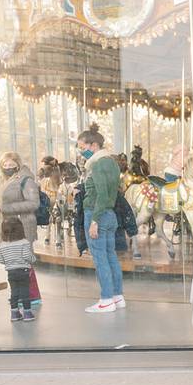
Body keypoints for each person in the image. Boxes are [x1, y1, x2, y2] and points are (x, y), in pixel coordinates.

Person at [77, 123, 125, 314]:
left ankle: (106, 299)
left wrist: (95, 220)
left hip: (97, 213)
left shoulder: (97, 164)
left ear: (93, 145)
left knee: (100, 259)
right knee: (111, 256)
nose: (81, 151)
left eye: (82, 147)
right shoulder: (111, 162)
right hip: (110, 214)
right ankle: (117, 296)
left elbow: (102, 194)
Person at [0, 151, 42, 304]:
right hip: (9, 226)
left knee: (23, 261)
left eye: (11, 164)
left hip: (23, 225)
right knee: (16, 262)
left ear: (18, 164)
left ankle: (30, 295)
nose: (8, 167)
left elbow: (34, 203)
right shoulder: (4, 180)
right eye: (5, 165)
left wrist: (5, 208)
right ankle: (24, 294)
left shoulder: (26, 180)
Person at [0, 217, 36, 322]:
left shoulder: (2, 245)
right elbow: (27, 256)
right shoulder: (24, 242)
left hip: (11, 272)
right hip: (23, 271)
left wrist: (9, 261)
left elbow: (0, 259)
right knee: (24, 292)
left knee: (14, 292)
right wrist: (33, 259)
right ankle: (27, 313)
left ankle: (14, 313)